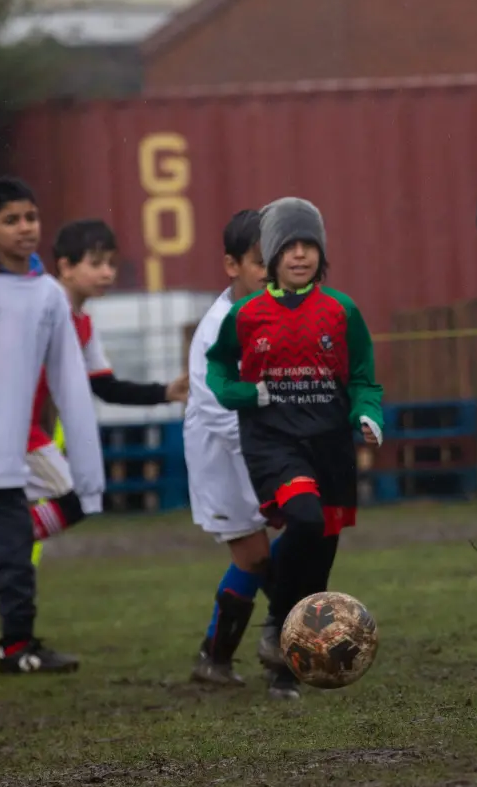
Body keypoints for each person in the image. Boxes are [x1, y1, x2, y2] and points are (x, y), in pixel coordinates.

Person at [0, 219, 188, 615]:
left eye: (111, 264)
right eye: (96, 263)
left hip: (20, 434)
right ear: (64, 266)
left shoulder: (81, 322)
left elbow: (104, 385)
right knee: (74, 496)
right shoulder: (38, 305)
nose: (107, 273)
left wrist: (164, 391)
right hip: (3, 431)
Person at [205, 196, 383, 699]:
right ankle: (276, 624)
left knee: (319, 561)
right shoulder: (245, 315)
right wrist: (242, 393)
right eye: (290, 246)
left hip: (329, 446)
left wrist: (367, 414)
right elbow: (217, 369)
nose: (300, 254)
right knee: (303, 519)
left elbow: (365, 381)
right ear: (275, 253)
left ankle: (287, 669)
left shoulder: (341, 311)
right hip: (273, 442)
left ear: (320, 254)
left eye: (310, 246)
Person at [0, 177, 105, 673]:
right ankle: (17, 648)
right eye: (11, 220)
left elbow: (68, 379)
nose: (25, 228)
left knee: (10, 544)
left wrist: (87, 463)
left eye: (31, 218)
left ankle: (14, 641)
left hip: (16, 450)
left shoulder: (46, 294)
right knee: (14, 551)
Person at [183, 209, 282, 693]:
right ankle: (229, 653)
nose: (271, 271)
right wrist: (273, 454)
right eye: (261, 261)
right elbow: (217, 409)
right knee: (254, 554)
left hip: (263, 448)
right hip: (222, 453)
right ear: (231, 265)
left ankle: (274, 636)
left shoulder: (281, 314)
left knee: (289, 537)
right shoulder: (216, 329)